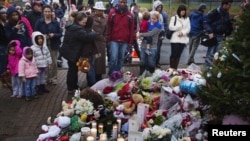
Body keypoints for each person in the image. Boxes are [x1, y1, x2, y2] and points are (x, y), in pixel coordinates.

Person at [60, 11, 97, 94]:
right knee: (72, 71)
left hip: (69, 52)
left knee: (72, 70)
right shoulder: (77, 29)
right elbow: (86, 37)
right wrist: (94, 33)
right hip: (72, 53)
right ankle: (71, 87)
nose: (85, 24)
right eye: (84, 22)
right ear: (78, 21)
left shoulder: (72, 26)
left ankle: (73, 86)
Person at [35, 5, 62, 85]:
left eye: (49, 11)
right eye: (46, 11)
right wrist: (42, 36)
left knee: (53, 62)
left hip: (53, 44)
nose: (47, 13)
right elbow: (35, 33)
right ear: (43, 12)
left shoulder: (55, 22)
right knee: (44, 62)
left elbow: (60, 33)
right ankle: (45, 78)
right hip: (42, 45)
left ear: (51, 12)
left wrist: (54, 35)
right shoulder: (39, 22)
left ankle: (53, 78)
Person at [107, 0, 134, 75]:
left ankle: (117, 74)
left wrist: (130, 42)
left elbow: (131, 29)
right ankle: (111, 74)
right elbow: (109, 27)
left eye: (124, 2)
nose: (122, 4)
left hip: (125, 40)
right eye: (121, 2)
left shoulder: (130, 15)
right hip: (114, 40)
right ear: (118, 2)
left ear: (126, 3)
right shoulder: (112, 13)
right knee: (113, 58)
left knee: (121, 59)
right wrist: (108, 40)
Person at [203, 0, 233, 67]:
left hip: (222, 36)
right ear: (224, 4)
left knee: (217, 54)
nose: (230, 7)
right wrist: (210, 32)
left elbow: (227, 24)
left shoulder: (226, 13)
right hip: (214, 36)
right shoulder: (215, 12)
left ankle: (214, 70)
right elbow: (205, 22)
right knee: (210, 53)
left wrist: (228, 32)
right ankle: (207, 69)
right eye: (229, 5)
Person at [169, 4, 190, 70]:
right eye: (182, 10)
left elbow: (188, 29)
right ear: (179, 11)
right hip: (175, 39)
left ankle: (175, 69)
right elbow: (170, 27)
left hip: (183, 39)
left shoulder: (187, 19)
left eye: (184, 10)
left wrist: (182, 33)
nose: (183, 12)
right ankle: (171, 69)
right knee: (174, 54)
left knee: (178, 55)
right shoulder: (174, 18)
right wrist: (179, 27)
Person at [92, 1, 108, 82]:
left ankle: (99, 77)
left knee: (101, 61)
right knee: (93, 60)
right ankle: (92, 78)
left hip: (101, 42)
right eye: (98, 10)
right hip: (93, 42)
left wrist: (104, 39)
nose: (100, 11)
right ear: (95, 10)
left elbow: (106, 31)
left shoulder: (105, 19)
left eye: (101, 10)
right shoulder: (90, 18)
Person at [152, 0, 168, 68]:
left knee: (158, 50)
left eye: (160, 7)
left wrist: (164, 34)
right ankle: (151, 62)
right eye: (158, 7)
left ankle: (157, 62)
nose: (159, 8)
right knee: (152, 49)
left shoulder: (163, 14)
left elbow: (165, 25)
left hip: (160, 34)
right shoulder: (151, 14)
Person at [0, 6, 8, 75]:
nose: (5, 14)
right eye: (2, 13)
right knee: (2, 63)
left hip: (6, 45)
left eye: (5, 13)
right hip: (2, 46)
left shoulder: (6, 23)